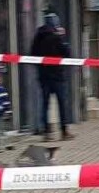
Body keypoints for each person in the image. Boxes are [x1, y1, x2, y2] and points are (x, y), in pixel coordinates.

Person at [30, 12, 74, 141]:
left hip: (43, 75)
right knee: (62, 104)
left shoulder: (38, 37)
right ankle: (64, 131)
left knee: (45, 104)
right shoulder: (57, 37)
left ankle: (46, 132)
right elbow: (67, 53)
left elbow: (32, 54)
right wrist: (62, 38)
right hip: (57, 75)